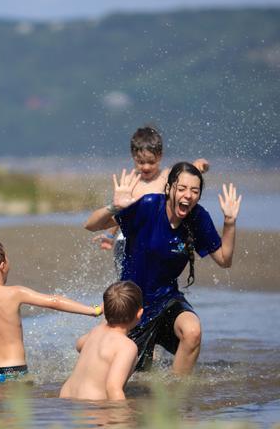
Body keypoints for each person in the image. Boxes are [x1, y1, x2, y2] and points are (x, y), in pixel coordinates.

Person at [85, 162, 242, 375]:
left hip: (166, 299)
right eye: (182, 188)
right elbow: (91, 225)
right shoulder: (149, 206)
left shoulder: (198, 218)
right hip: (132, 307)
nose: (188, 195)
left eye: (195, 191)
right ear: (169, 189)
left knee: (192, 332)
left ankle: (175, 395)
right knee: (129, 377)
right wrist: (115, 206)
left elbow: (224, 259)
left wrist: (230, 222)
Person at [0, 238, 102, 382]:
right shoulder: (15, 293)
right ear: (2, 266)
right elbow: (54, 301)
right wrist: (92, 310)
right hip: (13, 370)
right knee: (17, 413)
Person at [92, 127, 209, 272]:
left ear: (160, 156)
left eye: (151, 162)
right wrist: (110, 235)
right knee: (127, 283)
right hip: (128, 238)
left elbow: (189, 173)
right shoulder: (129, 182)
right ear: (133, 156)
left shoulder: (167, 176)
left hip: (158, 236)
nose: (146, 167)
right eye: (141, 162)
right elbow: (120, 213)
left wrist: (200, 165)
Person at [60, 281, 143, 401]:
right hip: (92, 408)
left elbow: (79, 345)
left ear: (104, 309)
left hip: (66, 399)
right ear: (139, 313)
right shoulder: (127, 347)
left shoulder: (96, 330)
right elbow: (113, 388)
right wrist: (122, 418)